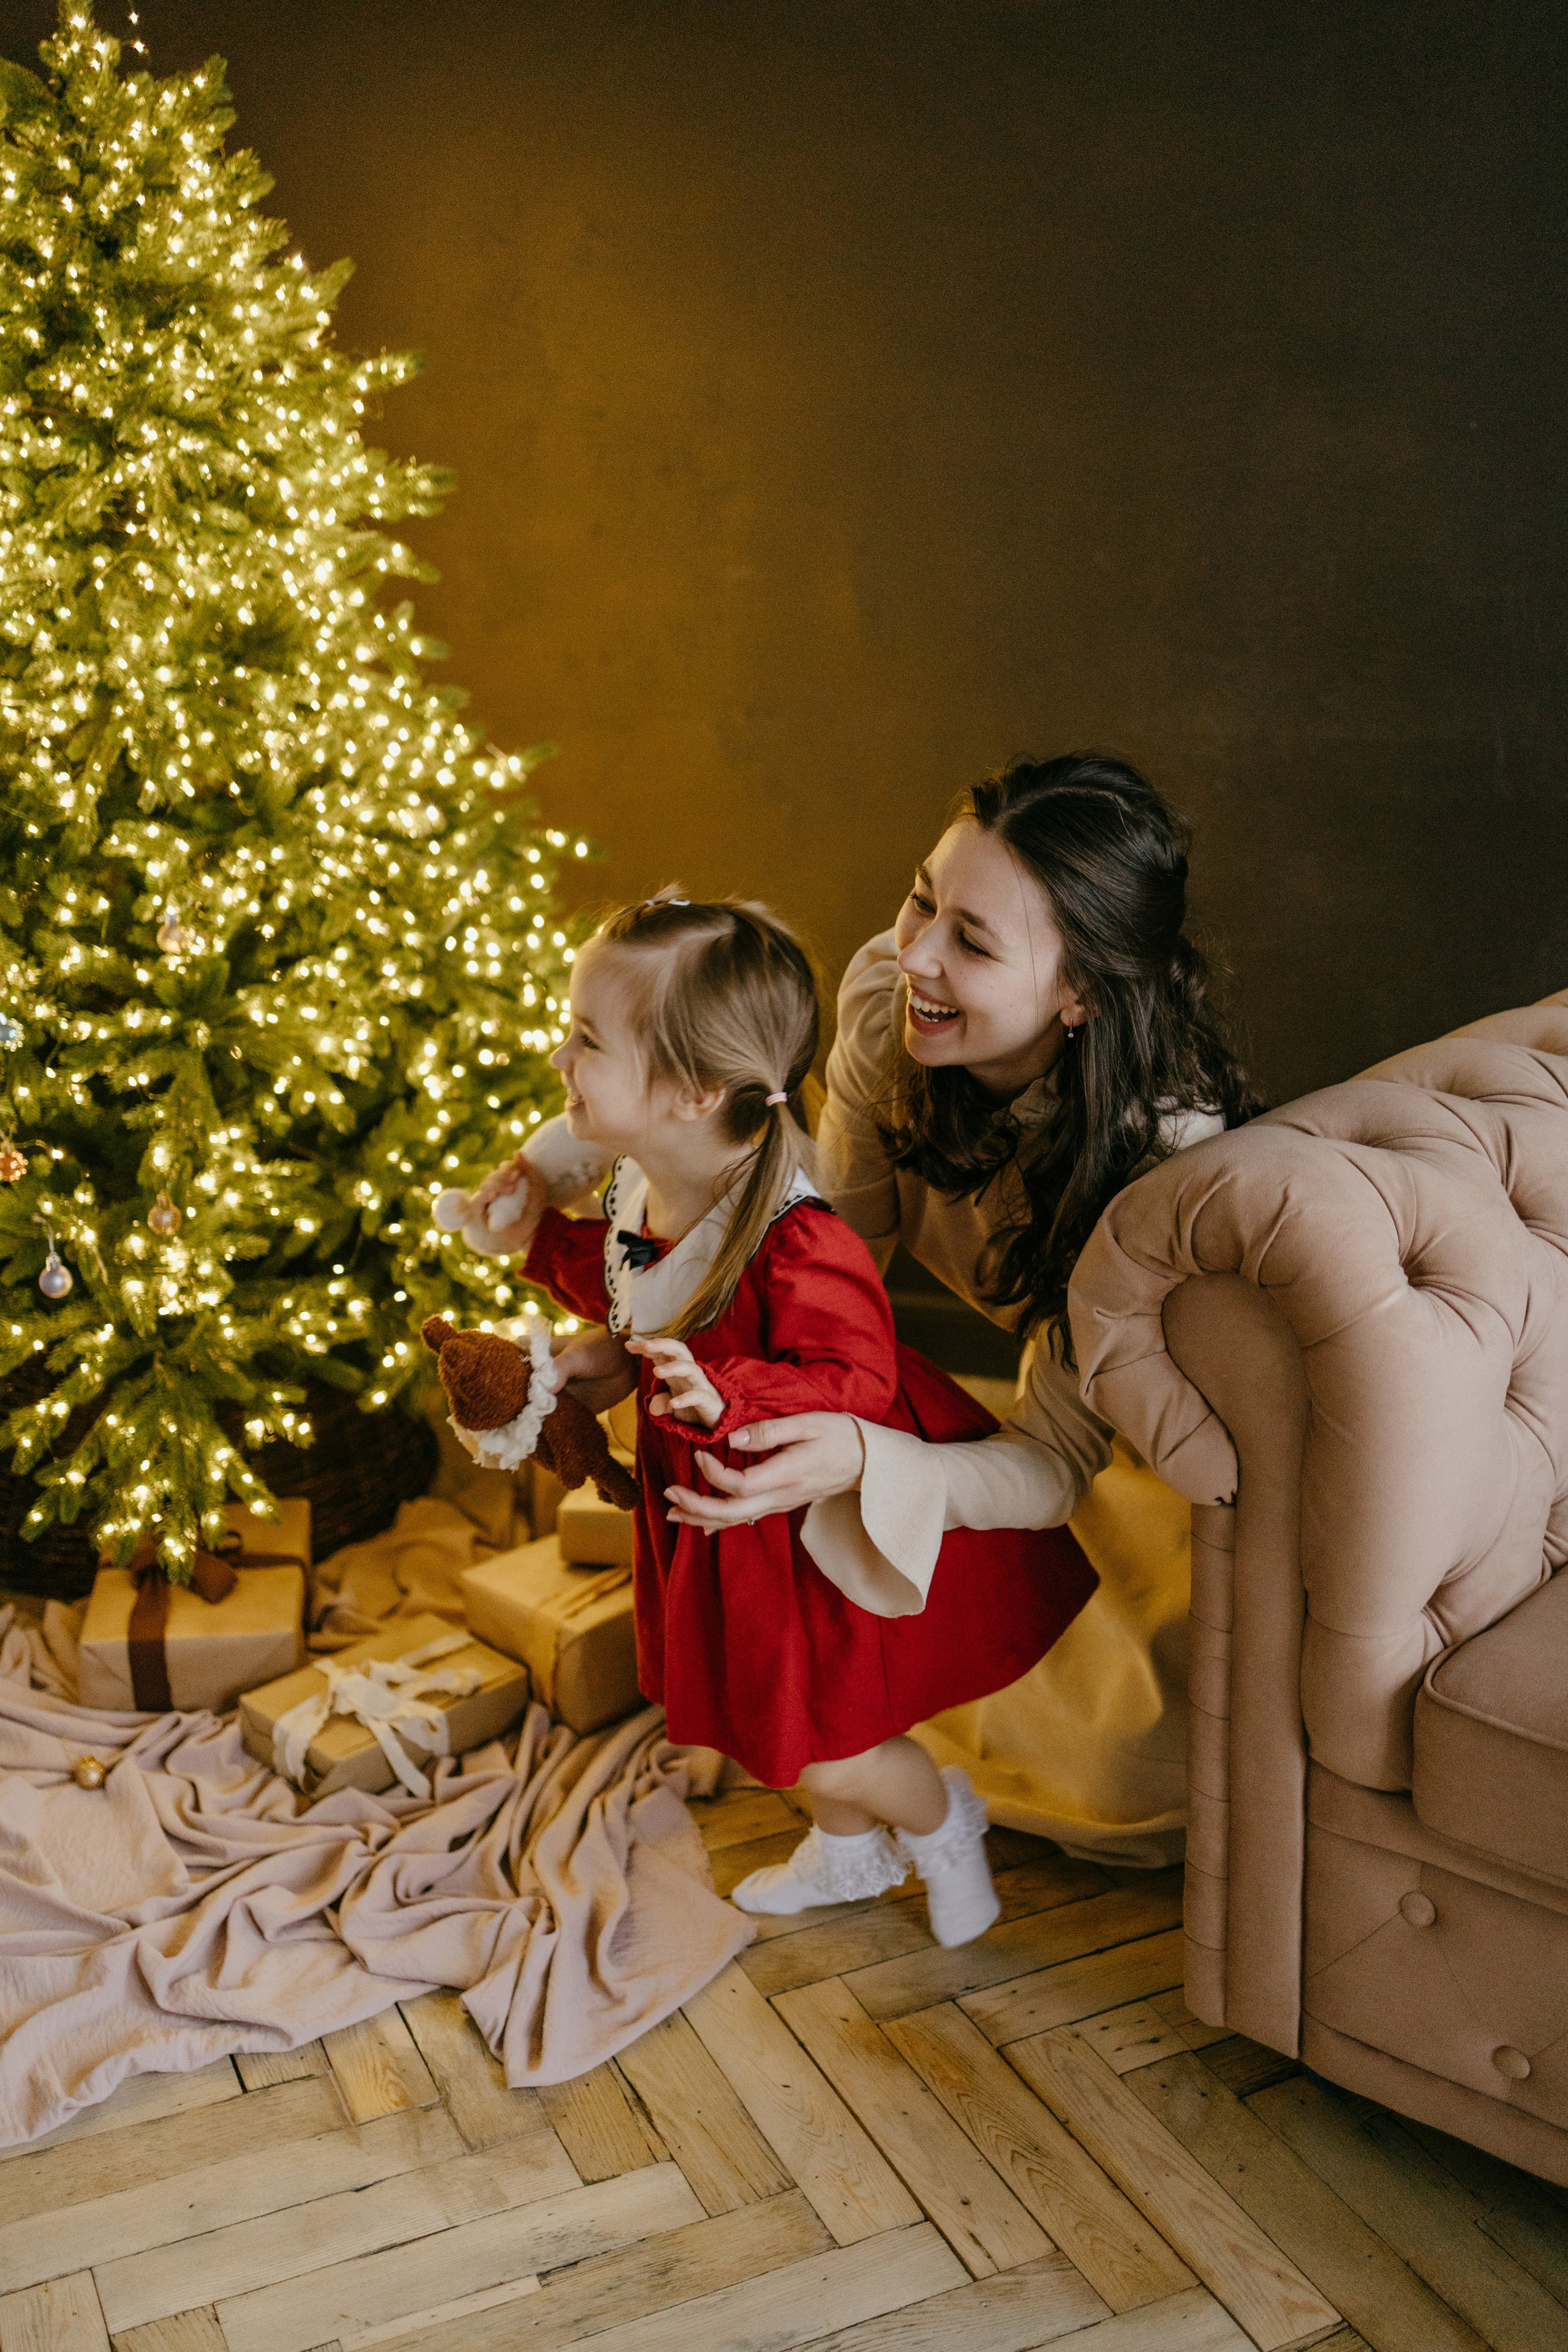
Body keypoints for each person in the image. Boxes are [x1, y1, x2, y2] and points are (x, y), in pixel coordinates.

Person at [646, 755, 1262, 1867]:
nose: (915, 952)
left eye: (972, 942)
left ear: (1082, 993)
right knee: (769, 1448)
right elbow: (832, 1259)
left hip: (1176, 1463)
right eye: (924, 896)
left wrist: (861, 1461)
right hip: (1031, 1415)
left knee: (1114, 1767)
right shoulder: (894, 1001)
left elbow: (1061, 1456)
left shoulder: (1161, 1167)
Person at [470, 891, 1098, 1943]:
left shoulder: (795, 1235)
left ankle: (945, 1826)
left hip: (797, 1519)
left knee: (823, 1735)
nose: (558, 1057)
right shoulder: (649, 1181)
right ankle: (849, 1852)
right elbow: (638, 1286)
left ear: (691, 1091)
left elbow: (853, 1375)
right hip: (714, 1516)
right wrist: (542, 1241)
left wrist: (734, 1395)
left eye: (585, 1039)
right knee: (763, 1720)